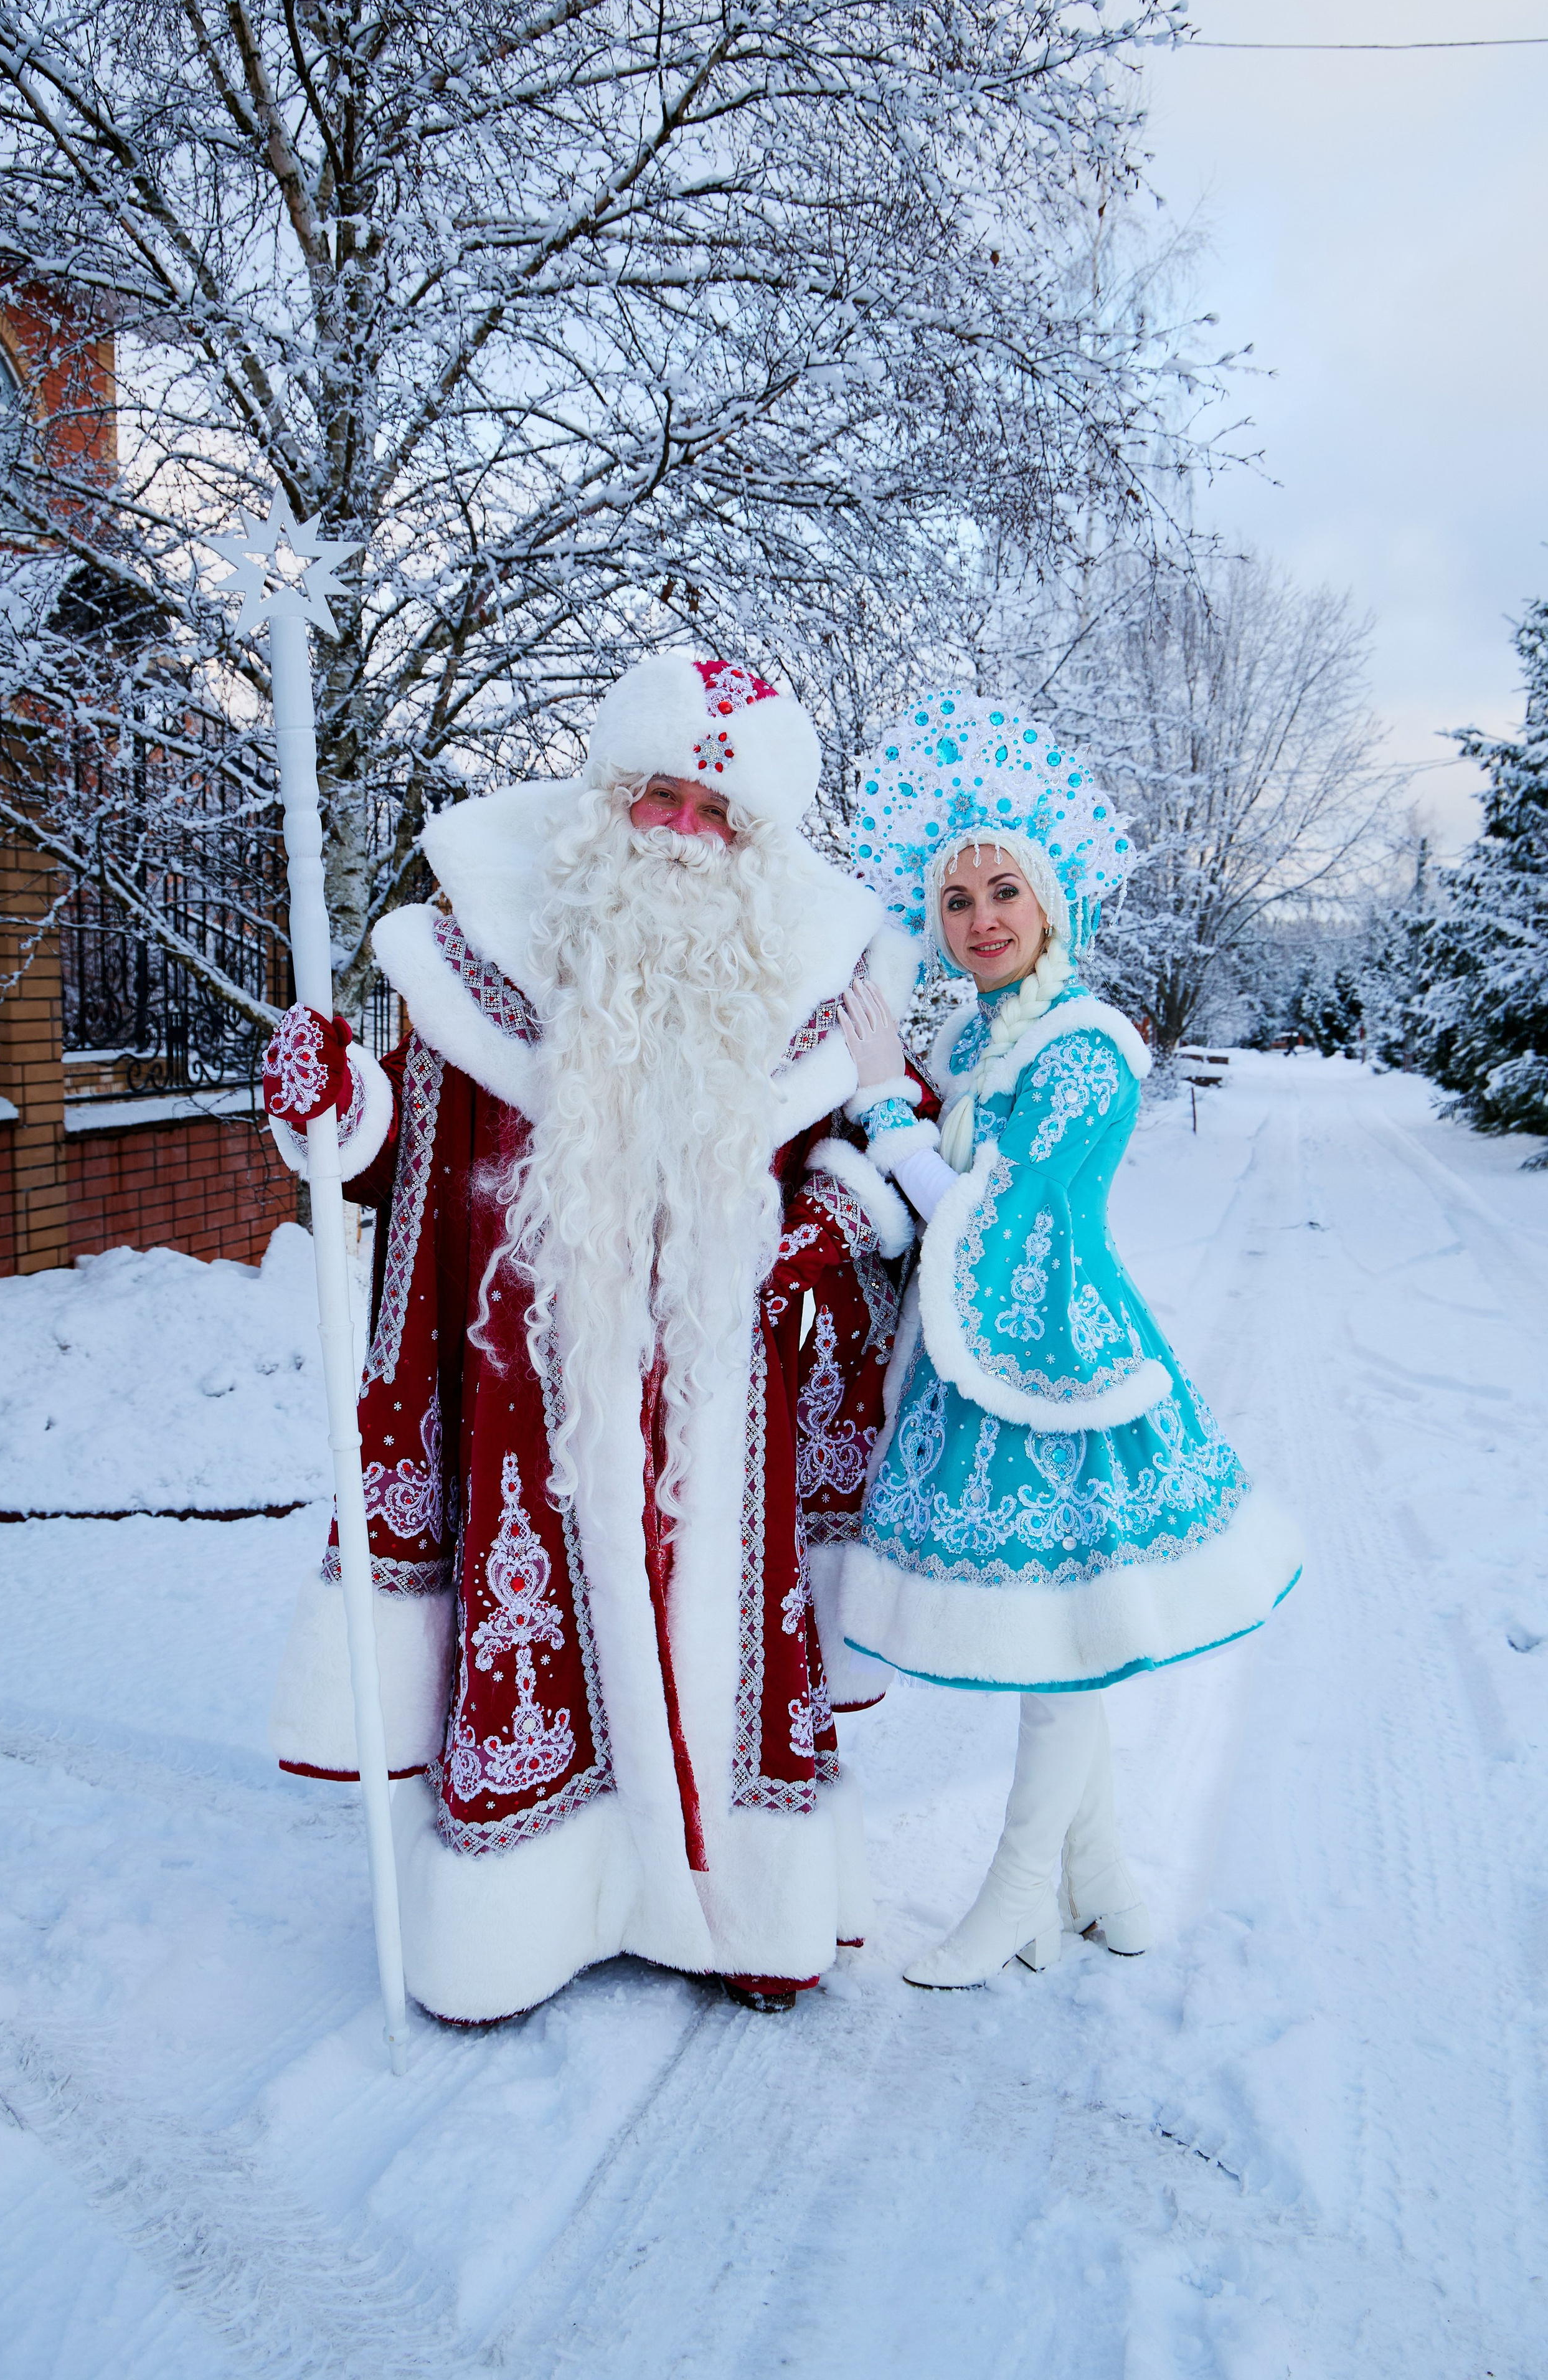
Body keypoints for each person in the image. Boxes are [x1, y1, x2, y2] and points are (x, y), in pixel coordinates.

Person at [260, 655, 930, 2022]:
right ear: (606, 795)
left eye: (714, 811)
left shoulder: (814, 979)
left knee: (729, 1638)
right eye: (659, 796)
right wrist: (335, 1102)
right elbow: (409, 1152)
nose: (681, 830)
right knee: (542, 1635)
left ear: (753, 841)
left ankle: (747, 1905)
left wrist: (816, 1230)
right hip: (531, 1398)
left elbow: (884, 1138)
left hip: (727, 1403)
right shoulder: (478, 954)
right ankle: (526, 1920)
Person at [834, 691, 1303, 1989]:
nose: (979, 918)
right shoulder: (979, 1032)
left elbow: (1008, 1215)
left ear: (1049, 901)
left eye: (1003, 892)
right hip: (986, 1354)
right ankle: (1096, 1878)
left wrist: (888, 1115)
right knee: (1061, 1630)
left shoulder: (1086, 1043)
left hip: (1057, 1360)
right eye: (955, 899)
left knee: (1060, 1633)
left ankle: (1012, 1889)